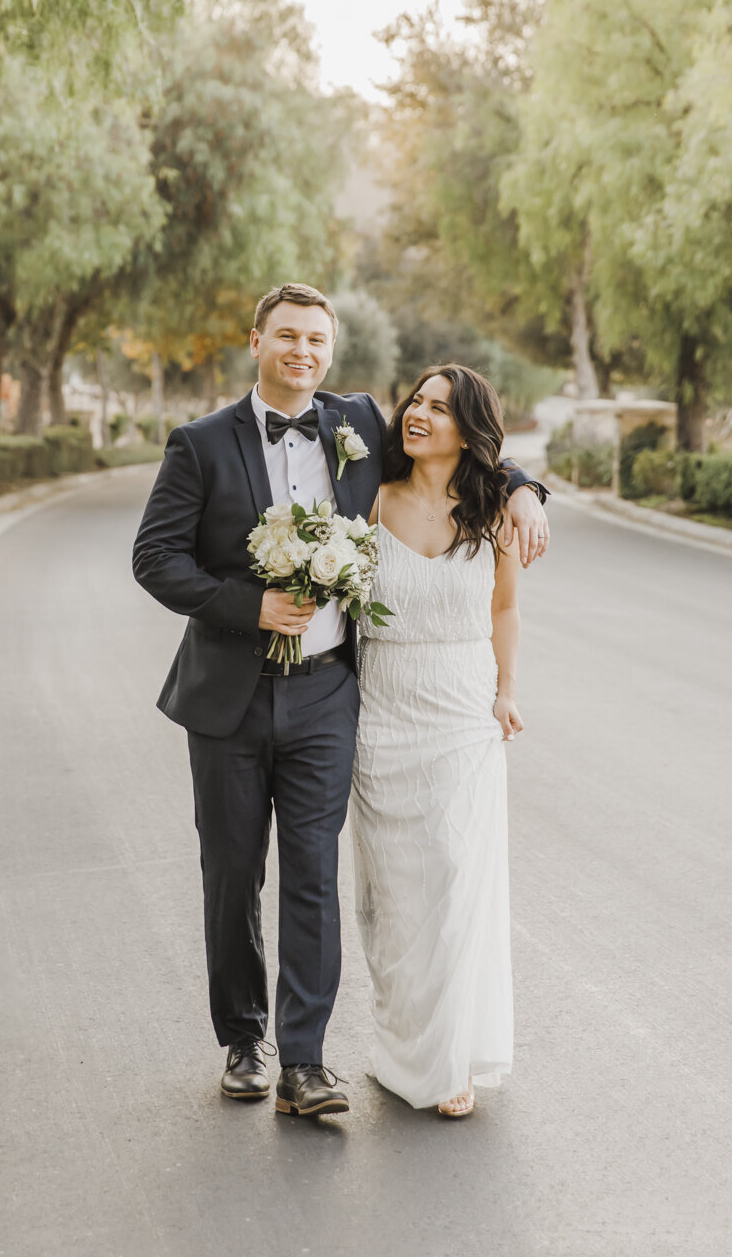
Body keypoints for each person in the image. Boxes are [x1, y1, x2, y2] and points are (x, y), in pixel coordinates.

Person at [132, 284, 548, 1119]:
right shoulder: (200, 444)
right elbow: (155, 558)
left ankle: (305, 1062)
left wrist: (527, 488)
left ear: (331, 352)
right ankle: (243, 1041)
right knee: (232, 873)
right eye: (286, 336)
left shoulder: (354, 424)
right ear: (256, 341)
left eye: (316, 340)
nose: (302, 352)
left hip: (329, 696)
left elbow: (463, 446)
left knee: (314, 878)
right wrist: (247, 606)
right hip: (229, 699)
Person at [352, 364, 521, 1118]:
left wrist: (506, 691)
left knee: (455, 879)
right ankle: (400, 1051)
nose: (419, 413)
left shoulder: (497, 512)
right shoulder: (367, 499)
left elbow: (506, 610)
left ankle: (450, 1057)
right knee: (394, 898)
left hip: (460, 712)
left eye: (441, 408)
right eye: (416, 400)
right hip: (382, 713)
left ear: (469, 429)